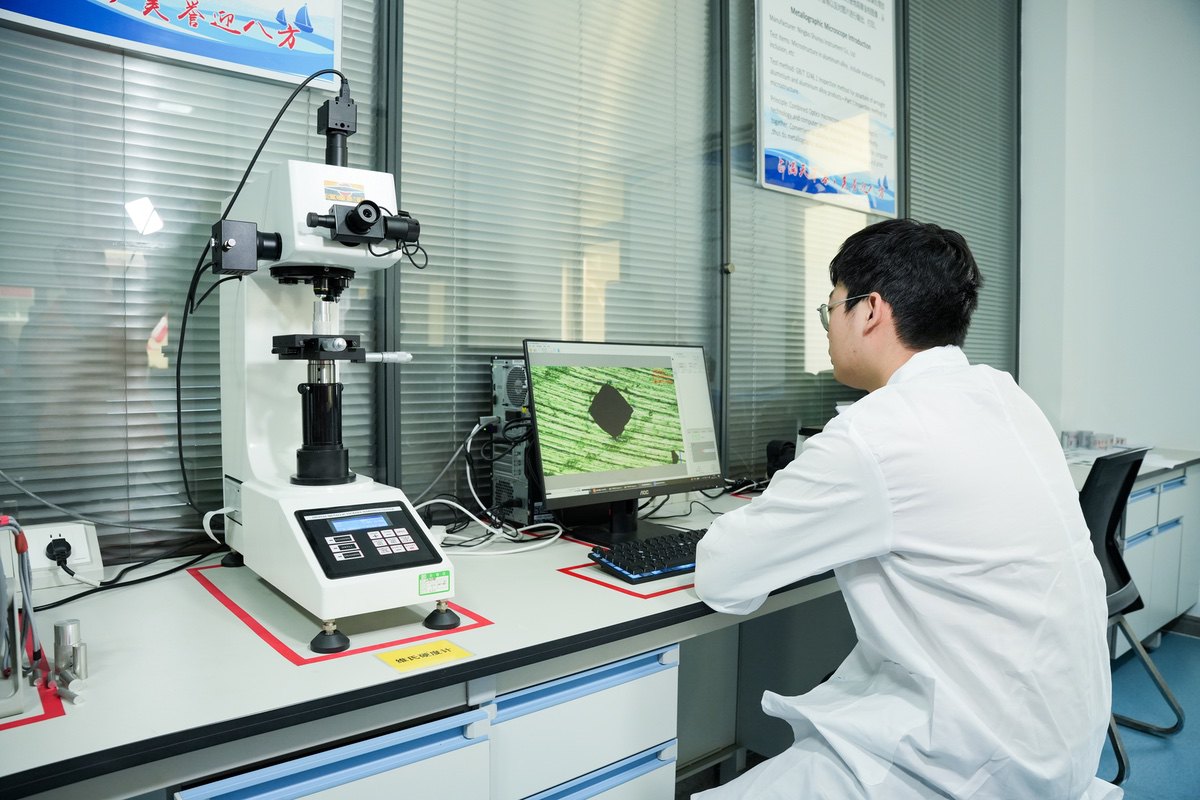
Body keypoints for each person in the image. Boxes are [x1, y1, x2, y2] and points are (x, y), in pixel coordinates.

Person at [693, 219, 1119, 800]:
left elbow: (723, 575)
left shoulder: (875, 432)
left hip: (963, 765)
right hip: (1058, 747)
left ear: (869, 310)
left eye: (830, 309)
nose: (827, 328)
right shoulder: (1004, 396)